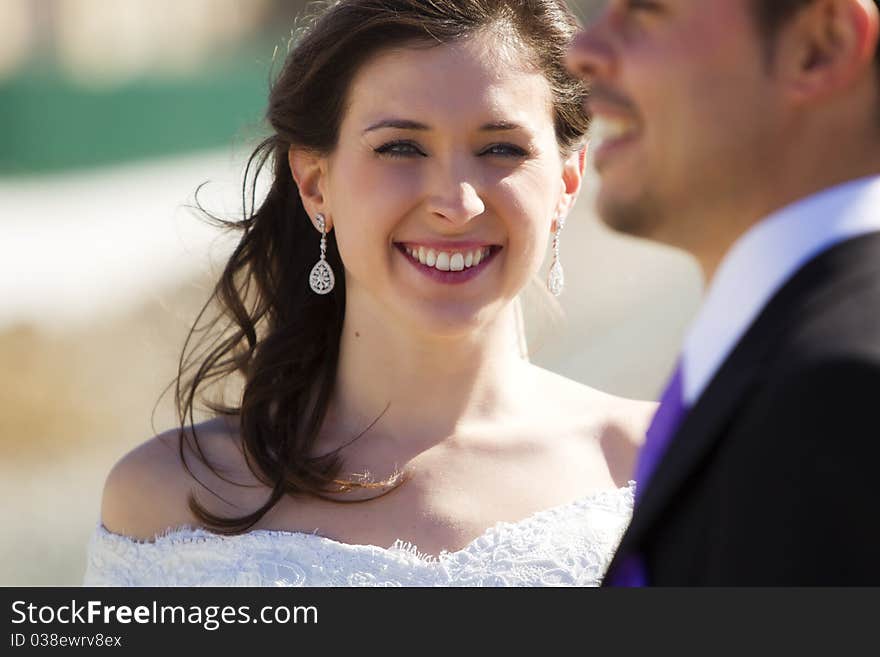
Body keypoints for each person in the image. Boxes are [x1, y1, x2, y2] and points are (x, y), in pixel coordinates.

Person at [83, 0, 655, 587]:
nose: (456, 205)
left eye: (500, 148)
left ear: (567, 182)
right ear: (314, 183)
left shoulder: (656, 467)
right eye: (401, 147)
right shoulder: (166, 502)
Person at [567, 0, 880, 585]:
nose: (581, 51)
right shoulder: (781, 357)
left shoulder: (847, 388)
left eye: (642, 12)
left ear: (821, 47)